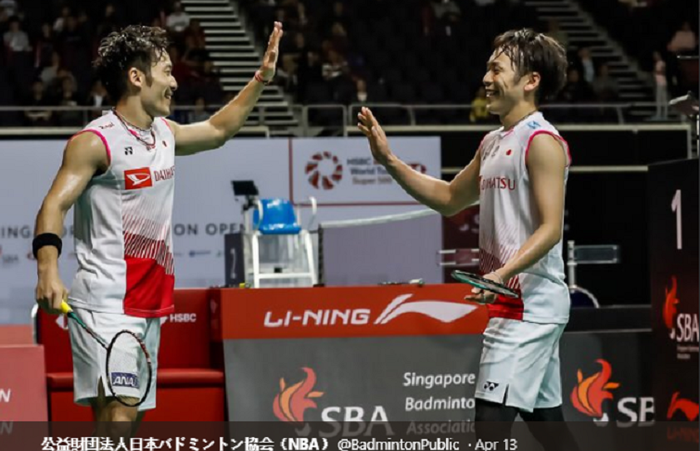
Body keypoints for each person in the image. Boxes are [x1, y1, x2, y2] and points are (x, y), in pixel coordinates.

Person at [33, 22, 282, 435]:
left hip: (150, 301)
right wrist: (47, 270)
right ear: (136, 77)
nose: (174, 83)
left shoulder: (164, 134)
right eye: (166, 72)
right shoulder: (96, 142)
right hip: (107, 298)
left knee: (120, 416)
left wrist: (261, 78)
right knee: (121, 413)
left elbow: (219, 130)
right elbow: (54, 205)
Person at [358, 28, 579, 450]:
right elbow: (447, 200)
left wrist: (502, 274)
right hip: (512, 300)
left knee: (489, 423)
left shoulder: (542, 141)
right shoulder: (493, 142)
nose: (486, 78)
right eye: (487, 68)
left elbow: (550, 229)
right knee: (548, 426)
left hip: (530, 305)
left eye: (497, 69)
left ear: (530, 81)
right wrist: (388, 159)